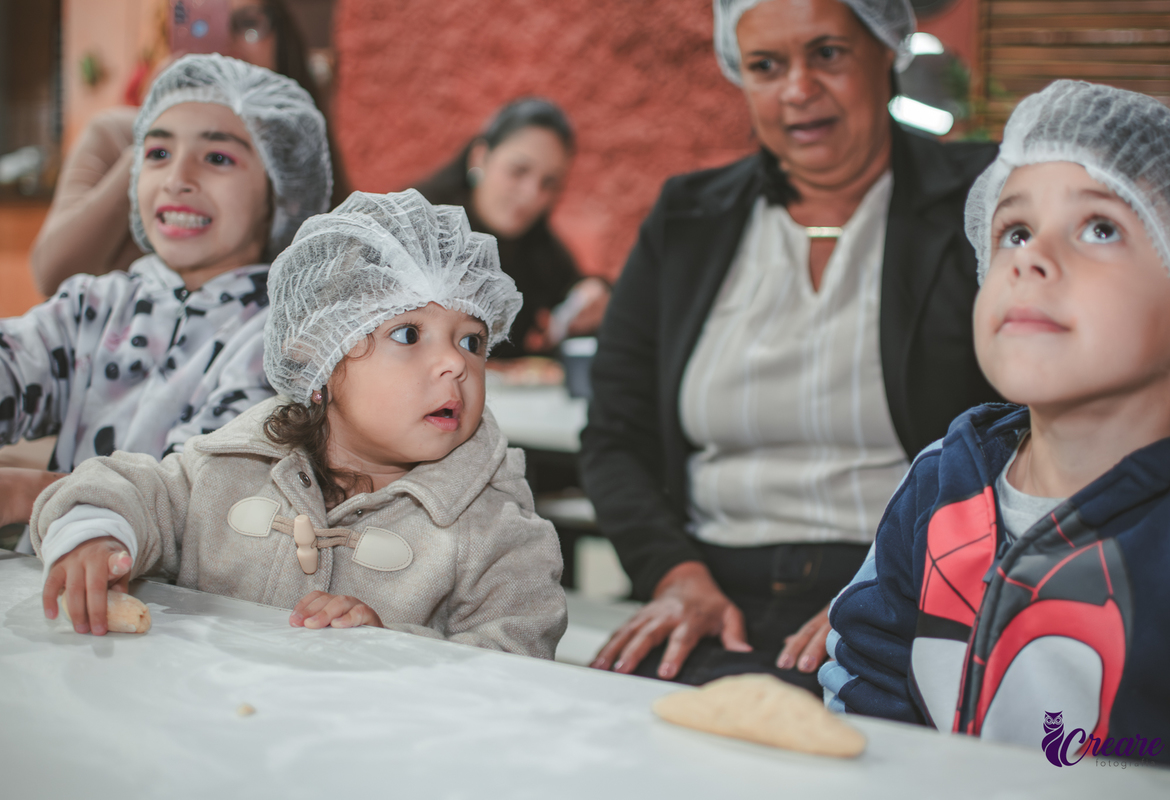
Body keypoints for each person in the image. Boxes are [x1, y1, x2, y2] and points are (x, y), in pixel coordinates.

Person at [581, 0, 1001, 690]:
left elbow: (1029, 432)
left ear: (884, 48)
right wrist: (673, 575)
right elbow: (614, 436)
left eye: (828, 54)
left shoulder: (979, 205)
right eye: (767, 67)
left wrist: (897, 591)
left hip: (916, 595)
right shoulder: (686, 219)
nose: (798, 90)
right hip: (711, 598)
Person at [819, 80, 1170, 770]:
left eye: (1100, 228)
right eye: (1014, 230)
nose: (1029, 256)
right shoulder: (944, 479)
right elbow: (866, 669)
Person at [32, 189, 568, 660]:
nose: (455, 363)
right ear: (317, 353)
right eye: (408, 334)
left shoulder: (496, 530)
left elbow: (517, 652)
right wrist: (94, 536)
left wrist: (396, 650)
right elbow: (133, 487)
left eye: (471, 341)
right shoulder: (232, 468)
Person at [0, 53, 331, 533]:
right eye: (157, 153)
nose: (177, 179)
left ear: (284, 195)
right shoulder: (94, 306)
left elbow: (200, 495)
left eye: (218, 157)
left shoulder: (284, 343)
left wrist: (31, 491)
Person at [27, 0, 348, 296]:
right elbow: (54, 274)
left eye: (247, 25)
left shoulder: (306, 160)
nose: (224, 47)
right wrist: (152, 133)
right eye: (205, 25)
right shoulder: (113, 135)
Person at [412, 98, 608, 357]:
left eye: (549, 183)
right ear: (479, 157)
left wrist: (593, 293)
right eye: (518, 171)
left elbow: (573, 291)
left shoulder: (538, 247)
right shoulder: (417, 225)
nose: (532, 196)